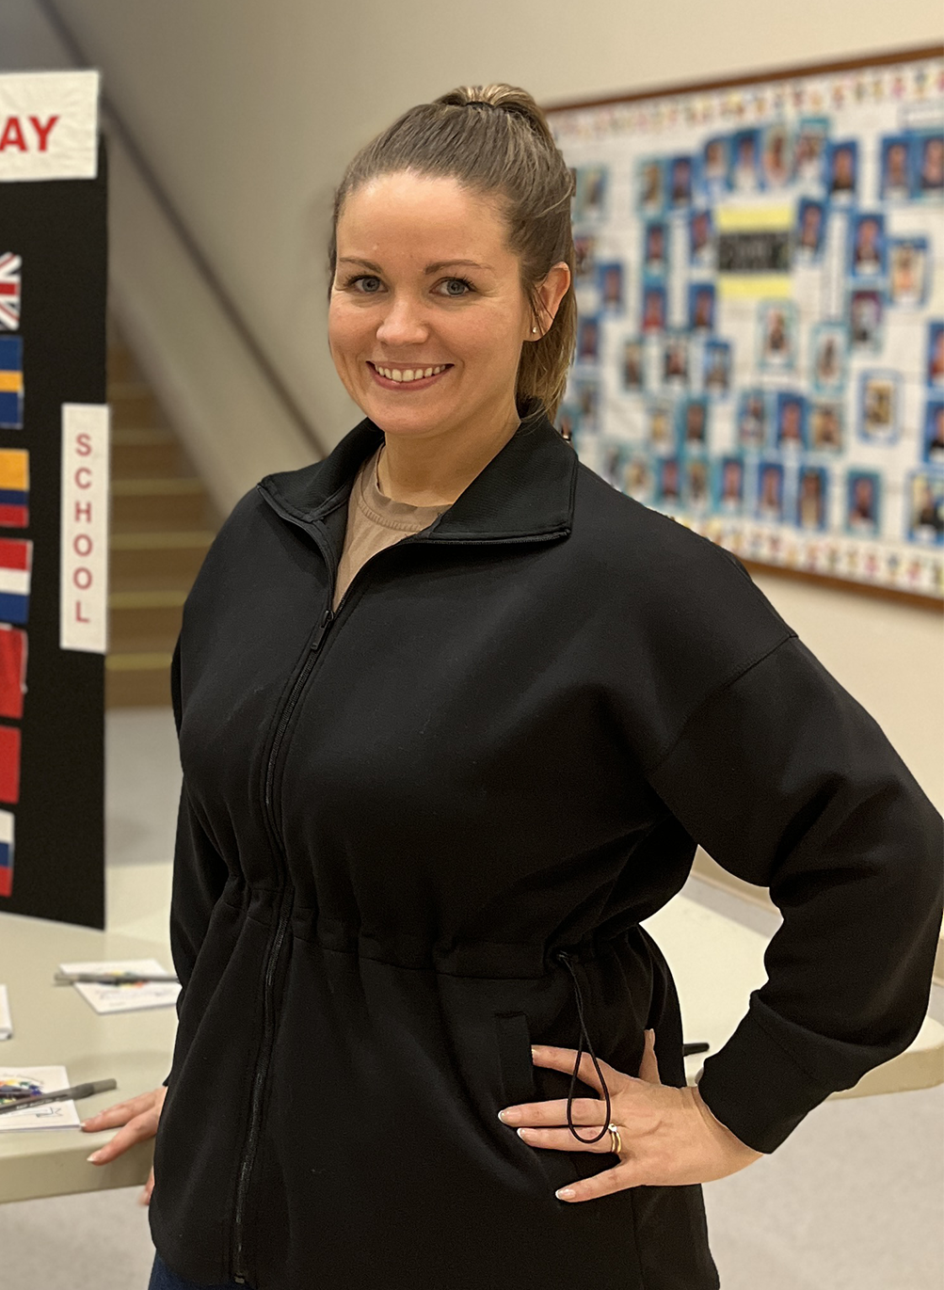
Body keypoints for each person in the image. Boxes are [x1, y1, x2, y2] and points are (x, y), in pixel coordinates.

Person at [83, 84, 944, 1290]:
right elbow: (224, 858)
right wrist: (217, 1057)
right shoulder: (262, 541)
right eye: (363, 281)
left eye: (453, 285)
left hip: (492, 1218)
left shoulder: (636, 585)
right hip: (238, 1211)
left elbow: (880, 855)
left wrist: (736, 1111)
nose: (396, 328)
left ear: (545, 297)